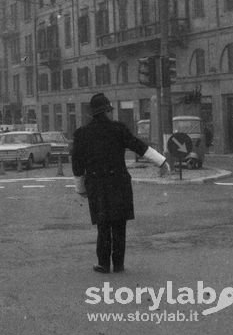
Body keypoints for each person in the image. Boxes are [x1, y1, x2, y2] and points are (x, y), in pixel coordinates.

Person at [72, 92, 170, 274]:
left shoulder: (82, 134)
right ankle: (118, 264)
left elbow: (77, 163)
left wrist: (81, 188)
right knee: (119, 225)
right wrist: (161, 161)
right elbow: (138, 146)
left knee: (103, 225)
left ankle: (103, 263)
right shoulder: (118, 129)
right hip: (118, 182)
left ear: (92, 113)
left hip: (97, 183)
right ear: (108, 111)